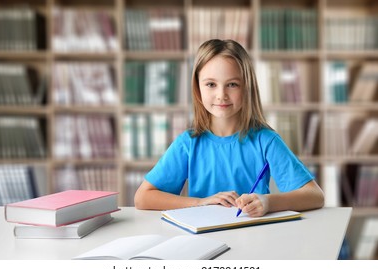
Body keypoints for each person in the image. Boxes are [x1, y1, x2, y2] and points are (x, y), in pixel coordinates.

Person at [134, 39, 324, 217]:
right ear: (198, 89)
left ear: (247, 87)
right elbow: (142, 197)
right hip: (202, 239)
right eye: (210, 84)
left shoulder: (265, 140)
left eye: (232, 84)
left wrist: (267, 202)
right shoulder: (188, 143)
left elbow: (315, 195)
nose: (221, 95)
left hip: (255, 239)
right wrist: (200, 202)